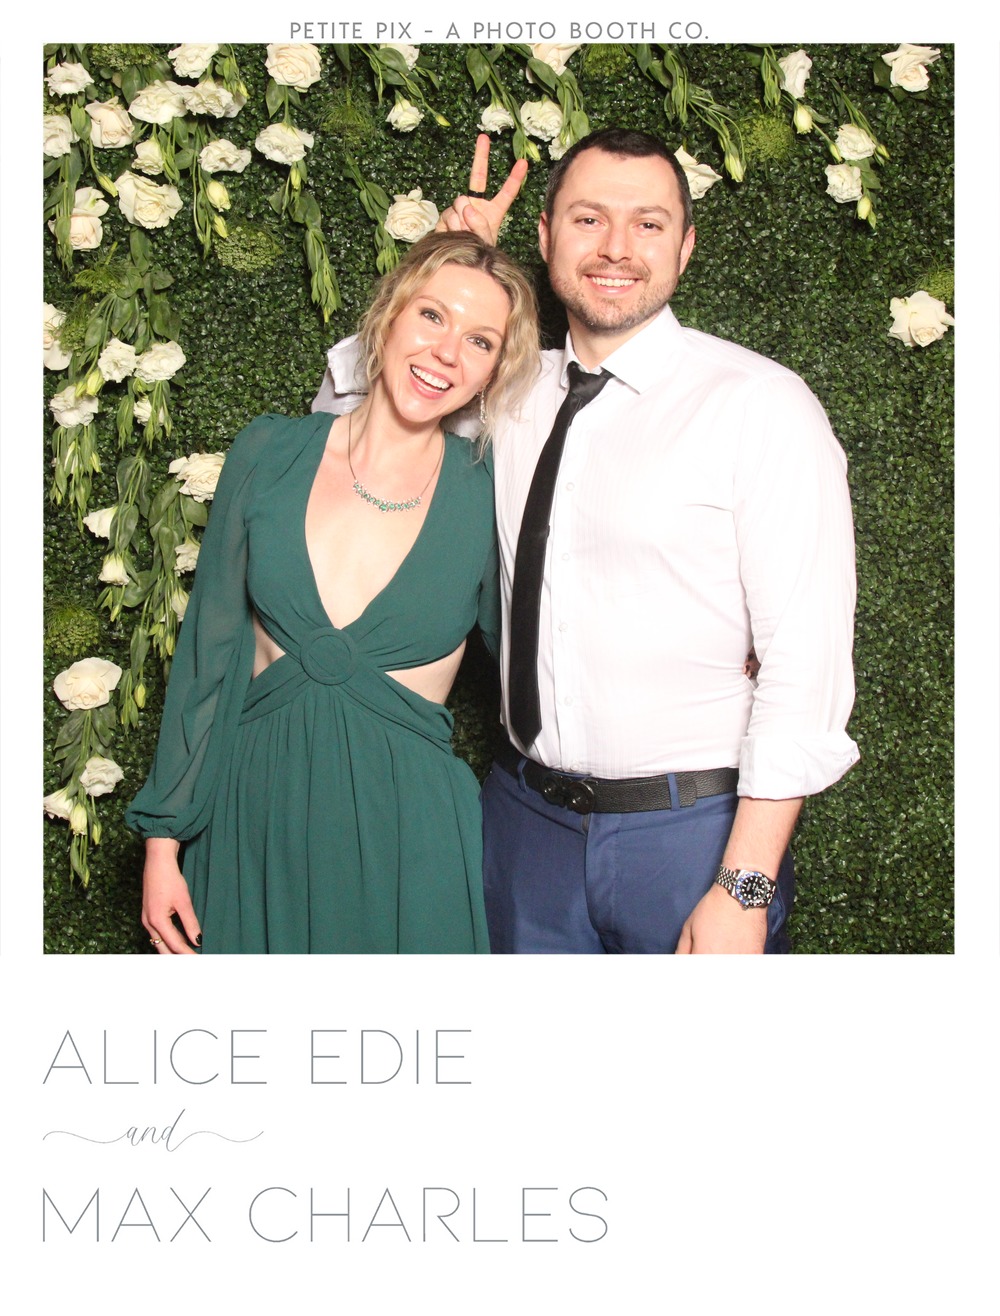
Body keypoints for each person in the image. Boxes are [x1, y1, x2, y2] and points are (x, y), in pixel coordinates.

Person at [318, 129, 860, 956]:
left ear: (685, 245)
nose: (616, 248)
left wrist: (744, 885)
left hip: (691, 835)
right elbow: (349, 428)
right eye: (588, 219)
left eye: (648, 223)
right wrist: (438, 264)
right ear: (544, 238)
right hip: (521, 824)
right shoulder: (506, 388)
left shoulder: (760, 406)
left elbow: (806, 667)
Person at [127, 232, 540, 954]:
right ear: (388, 314)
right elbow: (207, 659)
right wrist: (164, 841)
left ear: (494, 371)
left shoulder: (491, 492)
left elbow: (545, 652)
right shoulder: (269, 452)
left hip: (410, 842)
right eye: (432, 315)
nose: (447, 352)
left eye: (480, 340)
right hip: (253, 824)